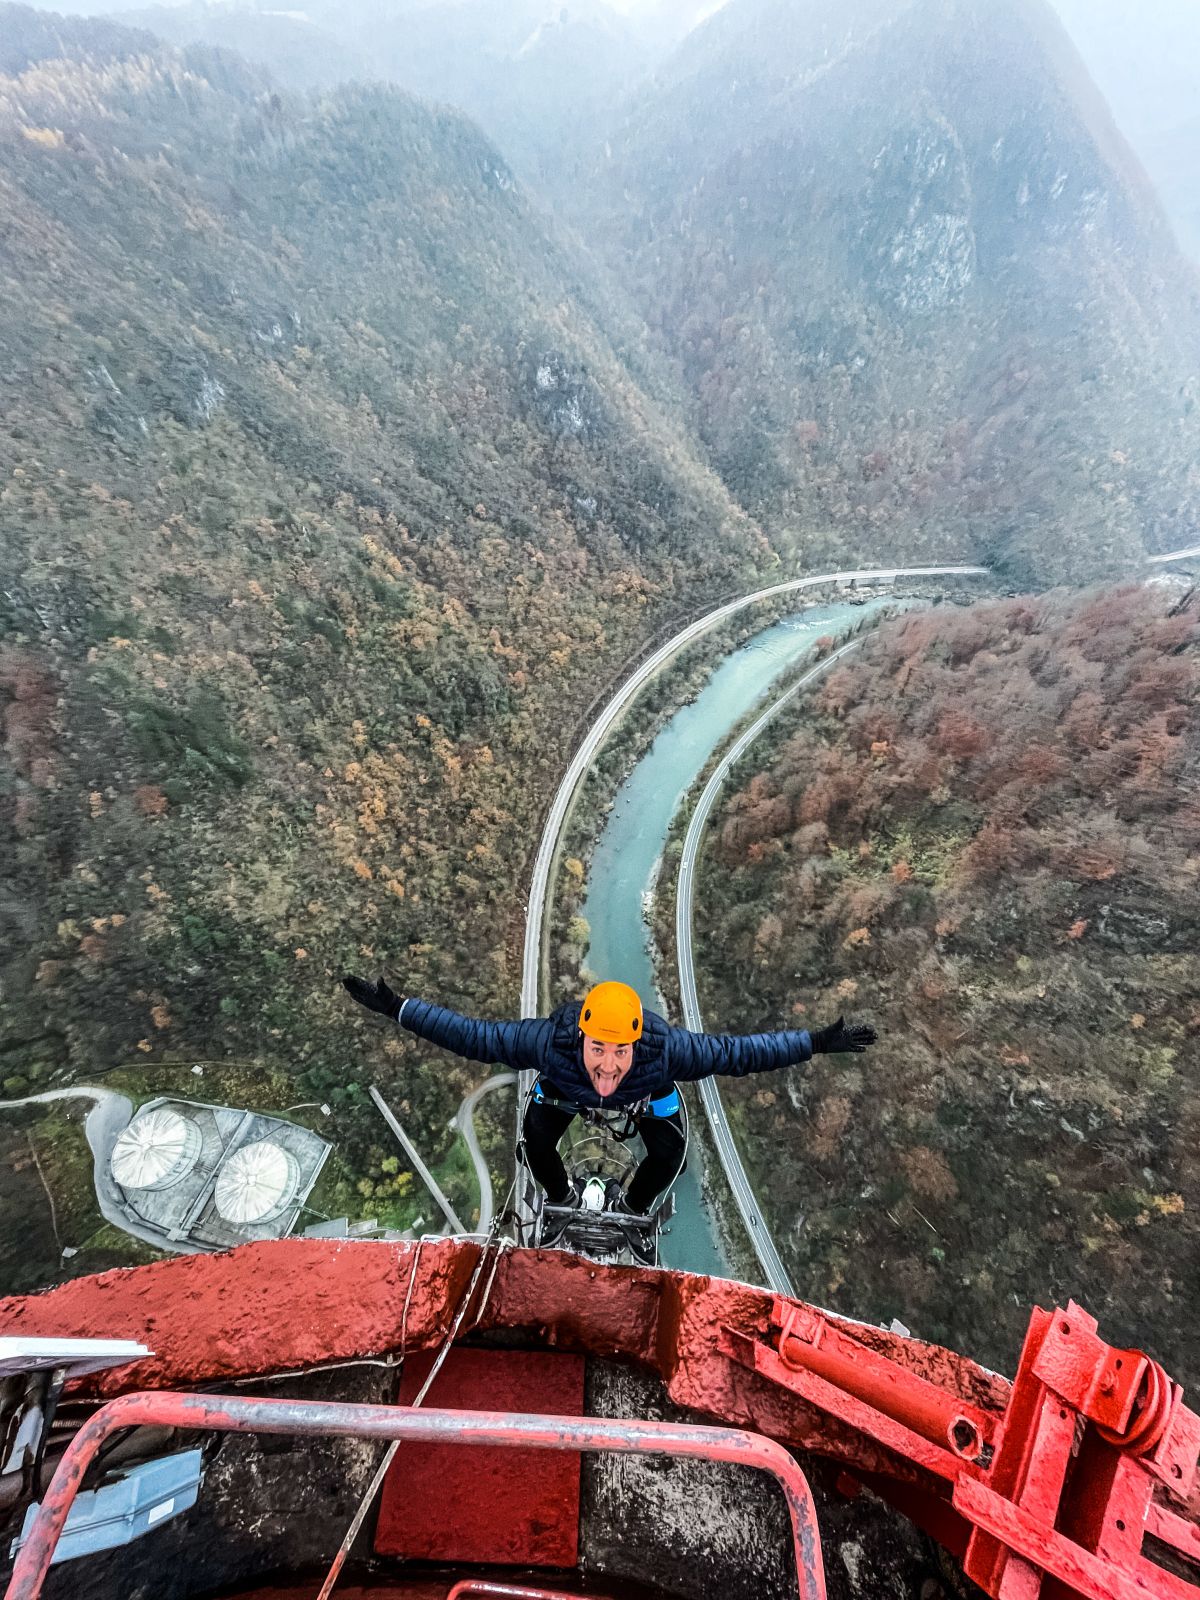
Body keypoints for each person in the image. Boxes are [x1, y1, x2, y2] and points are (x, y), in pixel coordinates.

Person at [342, 974, 876, 1264]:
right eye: (599, 1048)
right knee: (535, 1139)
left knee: (669, 1152)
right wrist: (398, 1008)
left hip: (646, 1097)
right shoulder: (550, 1044)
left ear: (637, 1045)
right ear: (581, 1038)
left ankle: (634, 1207)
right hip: (565, 1092)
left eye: (621, 1051)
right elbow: (475, 1037)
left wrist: (813, 1043)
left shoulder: (667, 1053)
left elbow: (740, 1053)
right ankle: (560, 1197)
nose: (609, 1065)